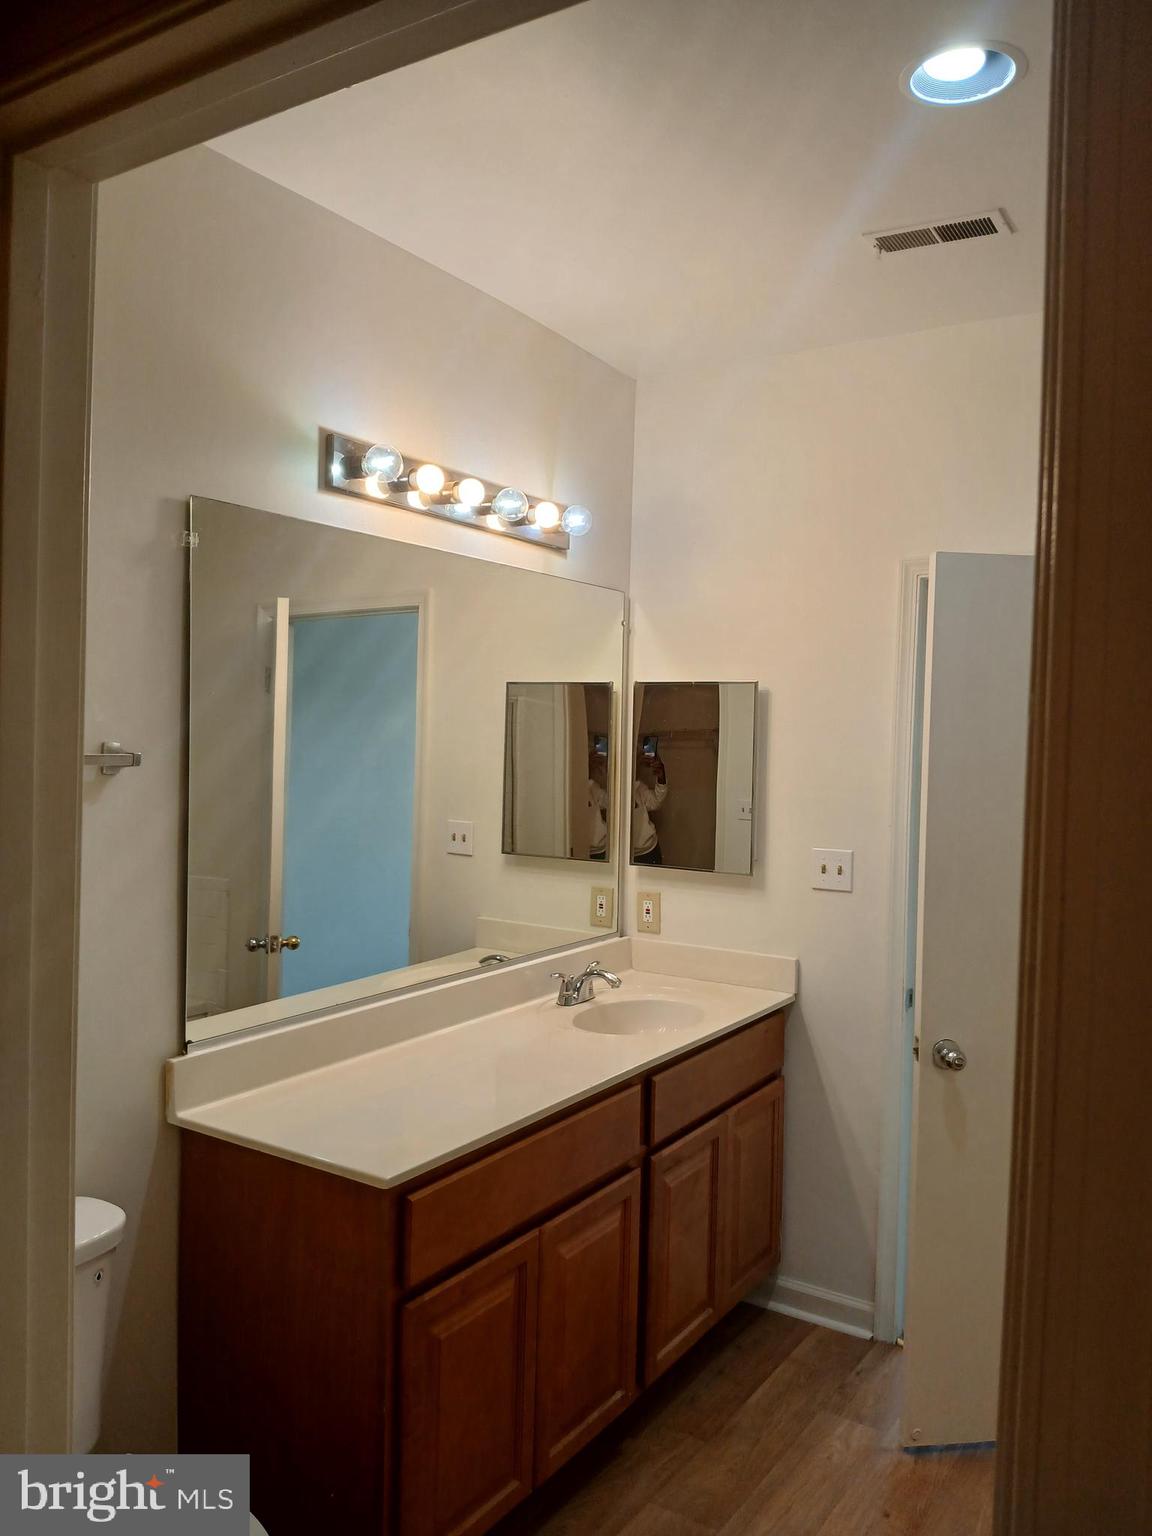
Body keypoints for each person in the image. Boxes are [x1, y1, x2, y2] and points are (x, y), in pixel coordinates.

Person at [632, 751, 667, 864]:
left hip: (649, 850)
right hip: (623, 852)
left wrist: (661, 776)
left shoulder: (639, 788)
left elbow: (656, 802)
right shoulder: (613, 786)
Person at [587, 751, 609, 860]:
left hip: (600, 849)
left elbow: (609, 803)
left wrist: (606, 771)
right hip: (581, 849)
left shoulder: (591, 787)